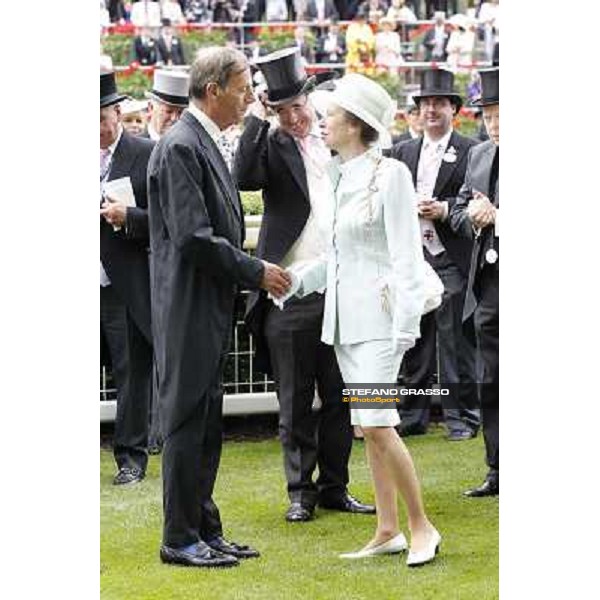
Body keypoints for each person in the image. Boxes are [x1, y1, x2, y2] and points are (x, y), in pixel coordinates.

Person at [283, 73, 442, 566]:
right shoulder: (336, 175)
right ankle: (388, 528)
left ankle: (422, 527)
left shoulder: (390, 175)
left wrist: (405, 331)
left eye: (330, 115)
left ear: (354, 124)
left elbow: (407, 257)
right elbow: (337, 257)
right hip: (345, 323)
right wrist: (293, 282)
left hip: (382, 322)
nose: (322, 123)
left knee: (377, 421)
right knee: (367, 427)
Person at [147, 46, 291, 568]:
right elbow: (193, 237)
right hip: (187, 308)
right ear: (213, 91)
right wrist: (256, 270)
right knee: (188, 423)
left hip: (205, 306)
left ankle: (204, 528)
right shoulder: (182, 145)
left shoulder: (199, 141)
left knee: (206, 423)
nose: (248, 95)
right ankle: (180, 537)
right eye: (241, 86)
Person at [234, 48, 375, 523]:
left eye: (300, 105)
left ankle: (336, 487)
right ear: (272, 110)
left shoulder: (335, 140)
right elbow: (242, 177)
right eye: (284, 108)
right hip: (287, 290)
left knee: (339, 398)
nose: (296, 116)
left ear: (311, 100)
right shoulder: (269, 144)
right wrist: (258, 117)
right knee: (294, 400)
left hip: (338, 289)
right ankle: (300, 493)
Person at [391, 69, 480, 441]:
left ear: (453, 109)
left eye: (439, 103)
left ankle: (462, 418)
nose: (431, 110)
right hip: (414, 257)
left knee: (455, 341)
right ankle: (413, 415)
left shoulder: (472, 150)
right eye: (426, 104)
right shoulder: (401, 151)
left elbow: (476, 202)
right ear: (417, 111)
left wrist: (442, 209)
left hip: (451, 257)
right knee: (415, 339)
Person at [100, 72, 155, 486]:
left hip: (125, 286)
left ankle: (131, 459)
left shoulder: (146, 153)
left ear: (117, 113)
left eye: (99, 116)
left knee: (131, 372)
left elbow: (171, 220)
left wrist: (129, 218)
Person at [449, 67, 499, 497]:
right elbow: (461, 212)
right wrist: (475, 218)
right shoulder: (479, 155)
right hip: (487, 287)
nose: (495, 123)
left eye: (503, 113)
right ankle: (497, 469)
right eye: (489, 115)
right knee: (491, 380)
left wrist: (499, 217)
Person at [144, 69, 190, 141]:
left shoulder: (191, 146)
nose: (174, 118)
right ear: (151, 107)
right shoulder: (134, 147)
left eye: (180, 112)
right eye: (168, 111)